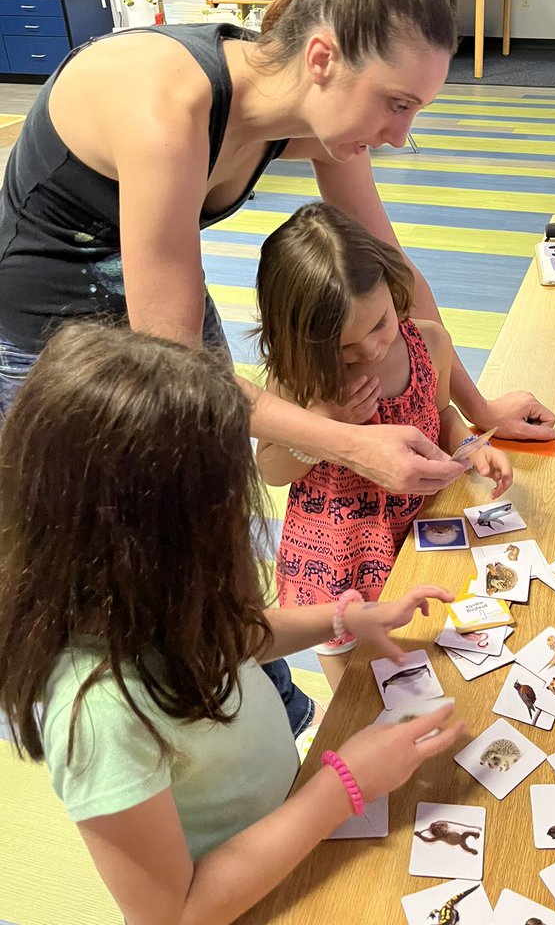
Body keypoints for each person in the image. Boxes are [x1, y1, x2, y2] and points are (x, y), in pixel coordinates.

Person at [0, 0, 555, 492]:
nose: (400, 136)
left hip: (159, 302)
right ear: (322, 59)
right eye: (396, 104)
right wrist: (349, 444)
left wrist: (478, 409)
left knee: (202, 504)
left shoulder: (318, 118)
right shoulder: (168, 112)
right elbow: (175, 359)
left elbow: (394, 272)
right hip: (49, 331)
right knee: (86, 540)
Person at [0, 322, 467, 925]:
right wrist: (341, 786)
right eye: (226, 514)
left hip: (288, 837)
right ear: (149, 541)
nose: (244, 535)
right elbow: (174, 914)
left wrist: (341, 615)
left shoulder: (144, 604)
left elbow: (230, 641)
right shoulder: (95, 713)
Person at [255, 201, 513, 690]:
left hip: (414, 537)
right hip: (333, 558)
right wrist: (324, 425)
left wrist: (470, 446)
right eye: (346, 348)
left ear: (394, 291)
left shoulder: (429, 342)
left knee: (424, 664)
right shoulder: (298, 379)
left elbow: (440, 416)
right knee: (354, 691)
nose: (371, 351)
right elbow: (269, 466)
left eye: (379, 325)